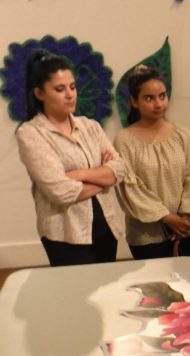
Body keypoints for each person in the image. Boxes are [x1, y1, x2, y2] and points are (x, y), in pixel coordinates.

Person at [16, 50, 125, 267]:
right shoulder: (31, 133)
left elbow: (120, 169)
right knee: (76, 288)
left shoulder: (90, 126)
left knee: (108, 286)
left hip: (106, 228)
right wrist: (103, 179)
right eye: (60, 89)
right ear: (39, 93)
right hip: (66, 234)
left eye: (72, 87)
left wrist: (80, 174)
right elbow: (61, 191)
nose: (70, 95)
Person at [114, 65, 190, 260]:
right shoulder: (124, 140)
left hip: (185, 228)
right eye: (149, 98)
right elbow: (130, 189)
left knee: (186, 277)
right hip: (147, 236)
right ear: (134, 101)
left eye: (162, 96)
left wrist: (185, 217)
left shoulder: (182, 134)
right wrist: (166, 217)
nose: (158, 104)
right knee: (155, 279)